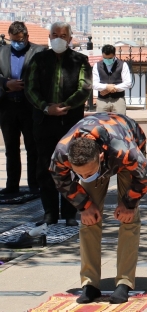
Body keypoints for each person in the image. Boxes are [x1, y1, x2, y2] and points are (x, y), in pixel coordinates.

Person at [50, 113, 147, 304]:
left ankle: (124, 282)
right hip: (100, 151)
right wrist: (84, 205)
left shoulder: (125, 151)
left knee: (129, 219)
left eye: (89, 172)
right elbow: (60, 179)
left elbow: (146, 174)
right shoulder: (62, 152)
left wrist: (129, 203)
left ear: (99, 156)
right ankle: (90, 284)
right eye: (79, 173)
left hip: (126, 139)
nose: (85, 176)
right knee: (88, 220)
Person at [25, 22, 92, 226]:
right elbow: (30, 88)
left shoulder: (80, 60)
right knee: (45, 168)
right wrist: (46, 107)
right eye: (54, 34)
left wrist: (65, 105)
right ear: (49, 36)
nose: (58, 38)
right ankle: (50, 213)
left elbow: (84, 88)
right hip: (44, 122)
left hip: (70, 123)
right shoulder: (39, 59)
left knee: (71, 167)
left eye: (63, 35)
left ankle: (70, 214)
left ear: (70, 39)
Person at [0, 22, 44, 195]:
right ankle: (12, 186)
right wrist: (6, 84)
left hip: (29, 106)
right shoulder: (2, 52)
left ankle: (34, 184)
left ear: (26, 37)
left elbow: (43, 75)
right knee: (11, 148)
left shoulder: (38, 52)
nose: (17, 43)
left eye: (20, 40)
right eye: (13, 40)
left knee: (32, 147)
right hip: (7, 106)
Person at [92, 44, 133, 114]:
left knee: (120, 122)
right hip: (102, 100)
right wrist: (106, 87)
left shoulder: (123, 65)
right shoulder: (97, 65)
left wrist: (112, 88)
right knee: (101, 122)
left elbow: (128, 83)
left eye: (110, 58)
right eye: (105, 58)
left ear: (114, 55)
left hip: (118, 99)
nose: (107, 60)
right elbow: (94, 84)